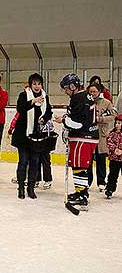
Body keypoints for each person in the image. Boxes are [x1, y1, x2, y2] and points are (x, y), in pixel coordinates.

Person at [54, 73, 99, 209]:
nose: (66, 91)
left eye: (67, 88)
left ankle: (83, 196)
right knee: (78, 166)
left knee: (79, 167)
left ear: (73, 86)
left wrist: (63, 120)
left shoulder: (78, 98)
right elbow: (79, 117)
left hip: (83, 137)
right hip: (87, 137)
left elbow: (78, 124)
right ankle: (81, 192)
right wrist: (66, 118)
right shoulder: (84, 96)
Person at [12, 73, 52, 200]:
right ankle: (21, 188)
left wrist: (43, 119)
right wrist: (32, 102)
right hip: (23, 135)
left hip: (37, 135)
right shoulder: (24, 95)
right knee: (23, 161)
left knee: (35, 162)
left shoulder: (45, 97)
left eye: (39, 83)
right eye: (34, 83)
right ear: (30, 84)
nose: (37, 86)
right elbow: (20, 109)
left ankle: (30, 188)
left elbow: (49, 112)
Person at [86, 83, 117, 191]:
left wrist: (101, 119)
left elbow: (113, 116)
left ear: (99, 92)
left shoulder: (106, 103)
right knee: (88, 160)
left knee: (101, 159)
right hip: (88, 133)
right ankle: (87, 181)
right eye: (91, 92)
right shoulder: (87, 102)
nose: (93, 94)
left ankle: (101, 181)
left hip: (101, 134)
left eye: (94, 92)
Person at [105, 114, 122, 198]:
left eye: (119, 123)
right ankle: (109, 189)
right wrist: (115, 149)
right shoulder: (112, 133)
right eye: (116, 123)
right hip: (114, 159)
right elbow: (109, 142)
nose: (117, 125)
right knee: (113, 175)